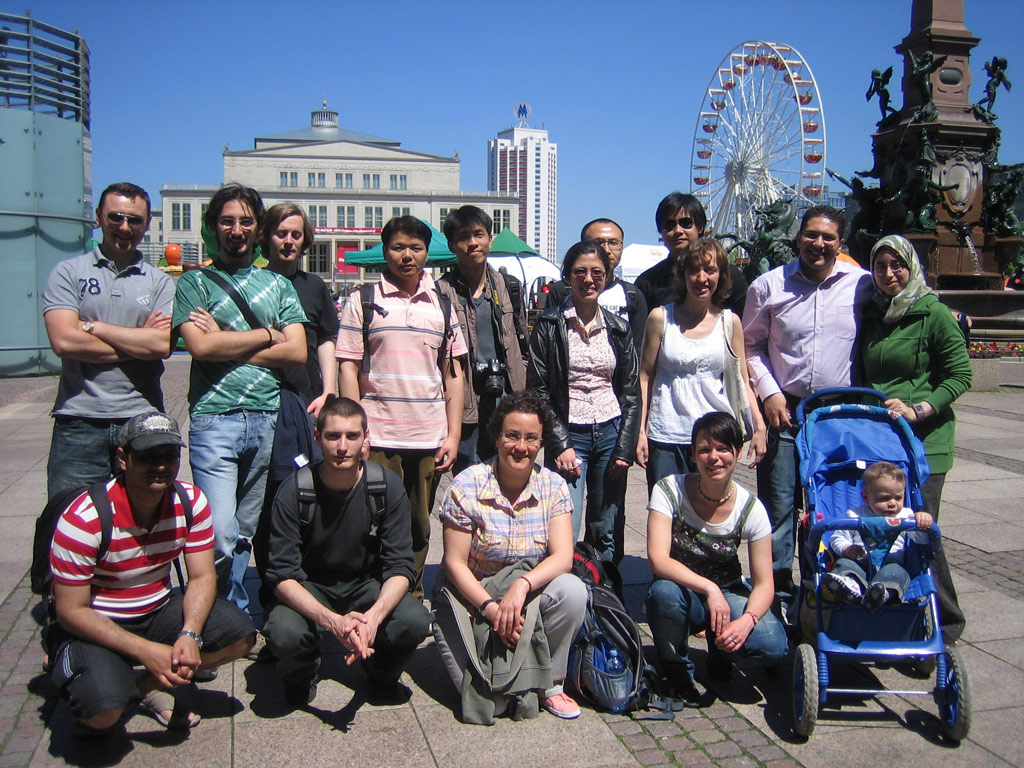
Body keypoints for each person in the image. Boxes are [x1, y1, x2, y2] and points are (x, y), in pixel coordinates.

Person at [48, 412, 255, 738]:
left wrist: (189, 635)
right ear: (123, 458)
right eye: (147, 455)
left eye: (169, 455)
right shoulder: (85, 518)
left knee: (241, 636)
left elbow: (202, 577)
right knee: (101, 716)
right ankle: (97, 682)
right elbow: (70, 611)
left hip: (156, 609)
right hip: (95, 622)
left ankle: (142, 684)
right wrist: (147, 652)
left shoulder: (190, 501)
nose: (160, 465)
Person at [172, 184, 307, 613]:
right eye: (227, 221)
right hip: (215, 417)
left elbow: (297, 351)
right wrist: (269, 334)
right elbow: (201, 348)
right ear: (214, 227)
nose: (237, 230)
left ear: (258, 228)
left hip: (264, 416)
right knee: (217, 533)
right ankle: (210, 616)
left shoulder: (278, 285)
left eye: (246, 221)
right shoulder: (195, 282)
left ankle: (230, 613)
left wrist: (228, 339)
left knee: (245, 530)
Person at [743, 205, 873, 613]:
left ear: (841, 243)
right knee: (779, 509)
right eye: (811, 235)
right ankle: (779, 596)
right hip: (785, 410)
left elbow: (904, 300)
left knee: (833, 508)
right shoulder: (768, 286)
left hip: (838, 416)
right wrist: (769, 392)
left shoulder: (861, 285)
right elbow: (747, 345)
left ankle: (826, 592)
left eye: (828, 237)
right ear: (798, 237)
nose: (818, 243)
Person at [262, 397, 430, 706]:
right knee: (283, 631)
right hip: (311, 584)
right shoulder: (294, 490)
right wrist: (332, 621)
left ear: (366, 438)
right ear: (317, 438)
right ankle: (302, 673)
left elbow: (401, 566)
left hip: (365, 583)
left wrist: (373, 618)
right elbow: (282, 575)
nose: (342, 446)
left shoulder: (387, 487)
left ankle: (381, 672)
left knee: (414, 620)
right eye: (332, 436)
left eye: (352, 436)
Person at [433, 391, 587, 722]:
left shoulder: (554, 487)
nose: (521, 447)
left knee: (573, 590)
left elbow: (563, 557)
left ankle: (551, 684)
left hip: (524, 599)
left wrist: (521, 586)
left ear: (542, 442)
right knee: (491, 702)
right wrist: (490, 608)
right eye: (512, 435)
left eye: (531, 438)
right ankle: (518, 669)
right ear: (497, 437)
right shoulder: (466, 486)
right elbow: (454, 564)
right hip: (469, 600)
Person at [337, 215, 466, 596]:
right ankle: (371, 592)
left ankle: (409, 594)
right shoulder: (363, 300)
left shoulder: (442, 304)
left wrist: (453, 434)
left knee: (418, 523)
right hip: (378, 435)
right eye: (398, 247)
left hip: (427, 435)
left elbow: (453, 375)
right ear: (385, 250)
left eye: (416, 248)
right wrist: (354, 432)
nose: (407, 256)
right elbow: (349, 366)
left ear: (427, 252)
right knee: (371, 520)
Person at [861, 234, 971, 641]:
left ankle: (946, 622)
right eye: (880, 266)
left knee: (921, 532)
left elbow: (961, 375)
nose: (889, 274)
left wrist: (919, 408)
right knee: (884, 529)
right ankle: (894, 614)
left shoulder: (933, 313)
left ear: (912, 267)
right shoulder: (873, 314)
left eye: (898, 265)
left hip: (926, 443)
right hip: (885, 442)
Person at [645, 412, 788, 707]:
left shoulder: (752, 508)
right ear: (693, 455)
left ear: (737, 452)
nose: (714, 458)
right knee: (663, 594)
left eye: (723, 448)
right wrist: (709, 589)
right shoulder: (669, 490)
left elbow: (764, 585)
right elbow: (658, 560)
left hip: (728, 590)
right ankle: (677, 671)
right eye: (704, 450)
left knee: (773, 646)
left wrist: (747, 621)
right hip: (682, 590)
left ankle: (722, 649)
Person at [43, 182, 174, 499]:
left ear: (147, 224)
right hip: (79, 420)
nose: (125, 227)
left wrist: (93, 328)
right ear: (99, 218)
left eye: (135, 220)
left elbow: (161, 346)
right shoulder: (68, 272)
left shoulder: (161, 282)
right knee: (67, 521)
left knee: (142, 527)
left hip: (142, 418)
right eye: (116, 217)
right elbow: (63, 342)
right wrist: (139, 341)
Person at [527, 241, 641, 563]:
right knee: (565, 524)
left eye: (597, 273)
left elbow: (631, 391)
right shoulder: (549, 325)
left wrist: (625, 447)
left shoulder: (618, 329)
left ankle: (602, 598)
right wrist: (560, 443)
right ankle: (565, 599)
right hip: (570, 434)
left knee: (604, 528)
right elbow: (539, 390)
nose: (589, 279)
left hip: (610, 433)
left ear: (607, 277)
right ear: (567, 276)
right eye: (580, 272)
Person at [636, 237, 766, 493]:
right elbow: (645, 377)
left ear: (721, 276)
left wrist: (759, 427)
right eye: (694, 270)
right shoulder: (661, 318)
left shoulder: (730, 322)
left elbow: (742, 380)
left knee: (710, 515)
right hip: (667, 434)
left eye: (710, 270)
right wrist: (640, 431)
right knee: (667, 513)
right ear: (682, 275)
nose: (701, 278)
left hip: (715, 437)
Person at [438, 205, 528, 474]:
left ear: (490, 238)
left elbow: (523, 342)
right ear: (453, 245)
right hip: (463, 403)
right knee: (469, 478)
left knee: (510, 476)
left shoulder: (510, 286)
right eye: (463, 237)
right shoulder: (440, 292)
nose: (472, 243)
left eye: (479, 234)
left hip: (506, 399)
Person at [822, 461, 934, 612]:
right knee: (844, 564)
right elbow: (837, 538)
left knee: (897, 573)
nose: (892, 503)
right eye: (884, 498)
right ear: (866, 497)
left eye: (898, 498)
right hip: (860, 563)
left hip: (890, 564)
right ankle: (849, 586)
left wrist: (921, 522)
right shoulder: (854, 515)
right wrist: (847, 548)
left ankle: (881, 594)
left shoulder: (906, 515)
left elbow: (920, 540)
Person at [261, 203, 339, 416]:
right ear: (267, 237)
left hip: (308, 397)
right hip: (261, 397)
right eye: (281, 234)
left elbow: (325, 339)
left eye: (296, 235)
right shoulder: (253, 283)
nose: (288, 242)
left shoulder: (314, 286)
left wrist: (329, 391)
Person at [634, 192, 747, 317]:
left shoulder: (728, 276)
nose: (677, 231)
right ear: (661, 232)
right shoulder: (647, 282)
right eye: (669, 225)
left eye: (686, 223)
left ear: (700, 227)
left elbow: (747, 328)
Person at [545, 218, 648, 349]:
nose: (606, 250)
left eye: (614, 243)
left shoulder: (633, 295)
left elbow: (637, 350)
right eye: (598, 242)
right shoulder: (562, 290)